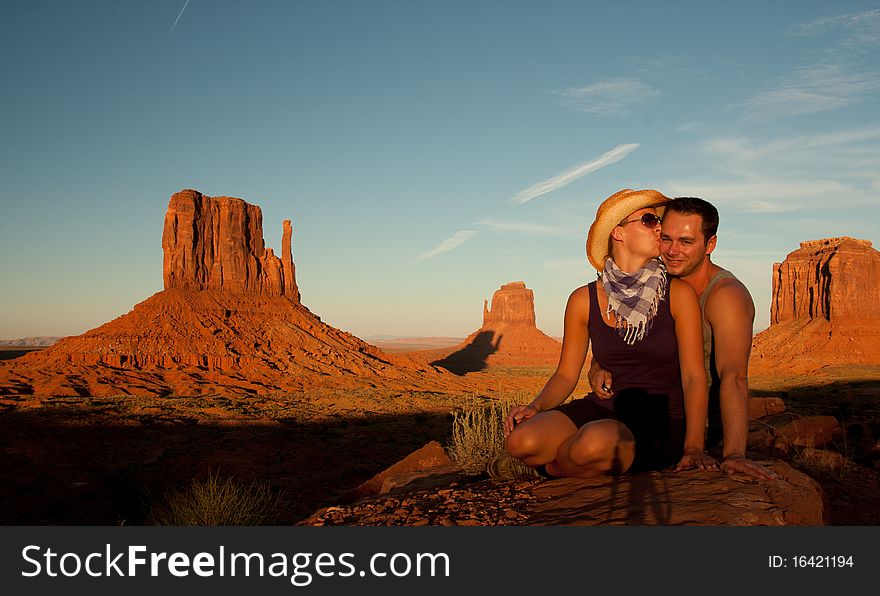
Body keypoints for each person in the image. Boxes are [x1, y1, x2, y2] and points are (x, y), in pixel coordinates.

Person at [499, 189, 717, 479]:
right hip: (603, 407)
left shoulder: (678, 295)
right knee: (522, 440)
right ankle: (574, 461)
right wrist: (535, 406)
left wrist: (693, 447)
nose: (660, 229)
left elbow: (693, 375)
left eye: (659, 221)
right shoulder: (582, 300)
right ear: (618, 233)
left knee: (595, 442)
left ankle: (551, 470)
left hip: (660, 419)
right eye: (650, 220)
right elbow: (565, 374)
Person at [588, 197, 777, 480]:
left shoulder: (725, 297)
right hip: (645, 413)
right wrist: (595, 367)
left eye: (686, 242)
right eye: (666, 239)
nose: (673, 251)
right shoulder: (652, 283)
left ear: (710, 245)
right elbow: (619, 342)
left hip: (689, 426)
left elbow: (734, 377)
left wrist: (734, 453)